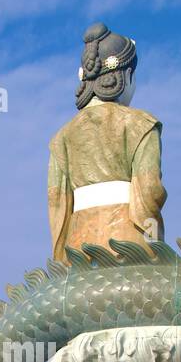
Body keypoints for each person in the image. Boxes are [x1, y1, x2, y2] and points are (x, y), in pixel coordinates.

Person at [47, 22, 166, 263]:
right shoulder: (141, 124)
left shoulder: (62, 137)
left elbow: (57, 204)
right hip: (129, 243)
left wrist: (62, 256)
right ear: (127, 75)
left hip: (78, 247)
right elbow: (149, 191)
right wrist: (155, 247)